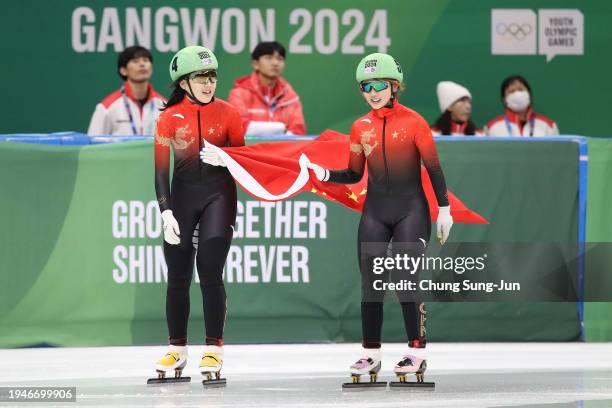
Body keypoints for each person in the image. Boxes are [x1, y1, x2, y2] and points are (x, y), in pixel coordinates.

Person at [304, 53, 453, 384]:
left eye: (379, 85)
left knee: (404, 279)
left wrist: (444, 208)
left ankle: (417, 351)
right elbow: (354, 173)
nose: (372, 92)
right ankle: (371, 353)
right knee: (371, 283)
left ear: (394, 86)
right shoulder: (360, 127)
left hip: (411, 211)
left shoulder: (415, 122)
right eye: (365, 87)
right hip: (375, 211)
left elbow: (433, 168)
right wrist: (324, 172)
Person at [152, 45, 244, 383]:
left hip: (220, 198)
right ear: (184, 82)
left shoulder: (230, 114)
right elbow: (161, 172)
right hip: (182, 200)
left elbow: (244, 161)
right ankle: (177, 348)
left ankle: (214, 349)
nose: (209, 83)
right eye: (201, 77)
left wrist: (230, 159)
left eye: (212, 76)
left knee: (209, 270)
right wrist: (165, 212)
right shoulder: (168, 118)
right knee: (177, 275)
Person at [228, 41, 307, 136]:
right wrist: (282, 128)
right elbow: (240, 128)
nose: (275, 63)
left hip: (282, 150)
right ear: (255, 64)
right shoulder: (239, 93)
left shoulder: (290, 96)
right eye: (268, 58)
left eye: (280, 59)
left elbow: (298, 131)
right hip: (250, 150)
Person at [88, 46, 165, 136]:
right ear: (123, 71)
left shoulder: (164, 106)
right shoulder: (107, 107)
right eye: (135, 61)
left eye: (146, 60)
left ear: (151, 69)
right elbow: (92, 144)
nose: (142, 64)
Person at [484, 75, 559, 136]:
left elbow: (557, 153)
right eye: (511, 91)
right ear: (504, 100)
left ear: (529, 94)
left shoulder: (548, 125)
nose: (517, 94)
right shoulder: (492, 127)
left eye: (520, 89)